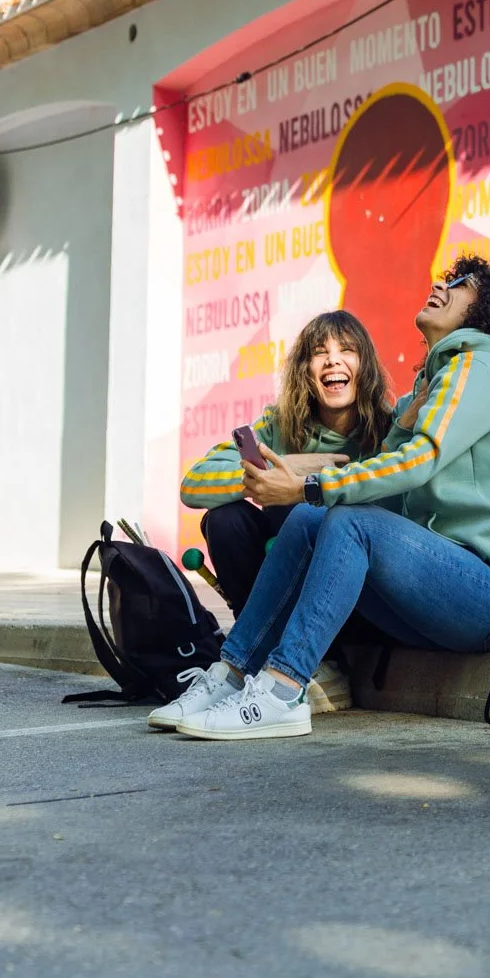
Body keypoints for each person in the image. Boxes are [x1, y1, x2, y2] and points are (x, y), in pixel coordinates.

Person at [166, 255, 490, 741]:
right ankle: (234, 672)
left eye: (460, 284)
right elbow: (399, 488)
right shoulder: (430, 384)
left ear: (484, 313)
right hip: (442, 590)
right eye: (445, 278)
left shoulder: (477, 368)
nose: (442, 285)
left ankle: (284, 689)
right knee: (310, 521)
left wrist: (310, 482)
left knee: (343, 519)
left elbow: (419, 461)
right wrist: (310, 487)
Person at [149, 310, 391, 730]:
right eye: (320, 353)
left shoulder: (389, 431)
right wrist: (296, 465)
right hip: (282, 590)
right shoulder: (280, 426)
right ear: (304, 370)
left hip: (357, 595)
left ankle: (315, 660)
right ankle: (247, 663)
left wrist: (307, 485)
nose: (333, 361)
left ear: (365, 365)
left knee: (303, 508)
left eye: (346, 350)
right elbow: (194, 485)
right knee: (226, 519)